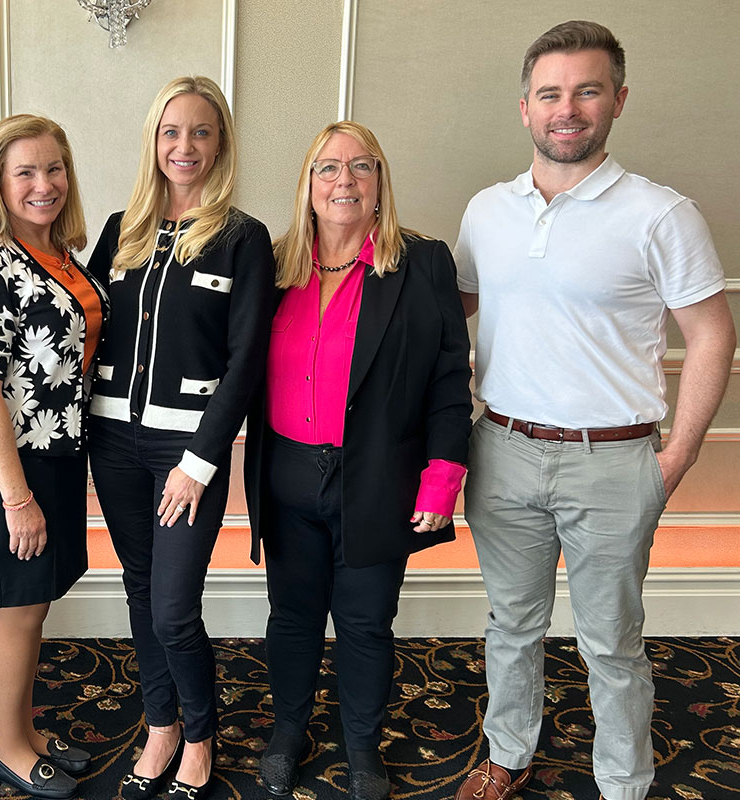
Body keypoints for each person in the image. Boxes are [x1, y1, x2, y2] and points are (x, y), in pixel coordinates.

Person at [452, 21, 735, 800]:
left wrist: (677, 454)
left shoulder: (660, 214)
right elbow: (450, 318)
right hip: (501, 449)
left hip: (614, 459)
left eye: (586, 90)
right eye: (550, 93)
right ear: (525, 108)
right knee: (512, 626)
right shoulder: (487, 211)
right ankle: (508, 753)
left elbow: (712, 334)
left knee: (611, 642)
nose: (566, 108)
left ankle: (622, 779)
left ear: (617, 100)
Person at [242, 121, 473, 800]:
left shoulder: (420, 262)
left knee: (367, 620)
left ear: (380, 184)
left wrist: (443, 477)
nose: (345, 180)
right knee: (292, 617)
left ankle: (362, 744)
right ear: (308, 187)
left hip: (378, 479)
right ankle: (289, 730)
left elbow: (448, 379)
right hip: (286, 474)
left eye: (361, 166)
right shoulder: (275, 264)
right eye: (328, 168)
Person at [87, 75, 277, 800]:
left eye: (200, 131)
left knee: (173, 605)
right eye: (171, 132)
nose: (184, 145)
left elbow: (245, 363)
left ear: (220, 142)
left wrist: (200, 461)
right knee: (139, 591)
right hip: (114, 444)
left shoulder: (242, 238)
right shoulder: (119, 229)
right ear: (153, 142)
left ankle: (200, 734)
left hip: (184, 456)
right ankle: (159, 721)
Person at [0, 113, 107, 800]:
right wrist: (16, 497)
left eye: (54, 168)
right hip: (5, 461)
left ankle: (26, 728)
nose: (44, 183)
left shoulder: (63, 257)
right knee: (17, 607)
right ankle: (8, 747)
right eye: (25, 172)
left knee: (36, 603)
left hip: (56, 450)